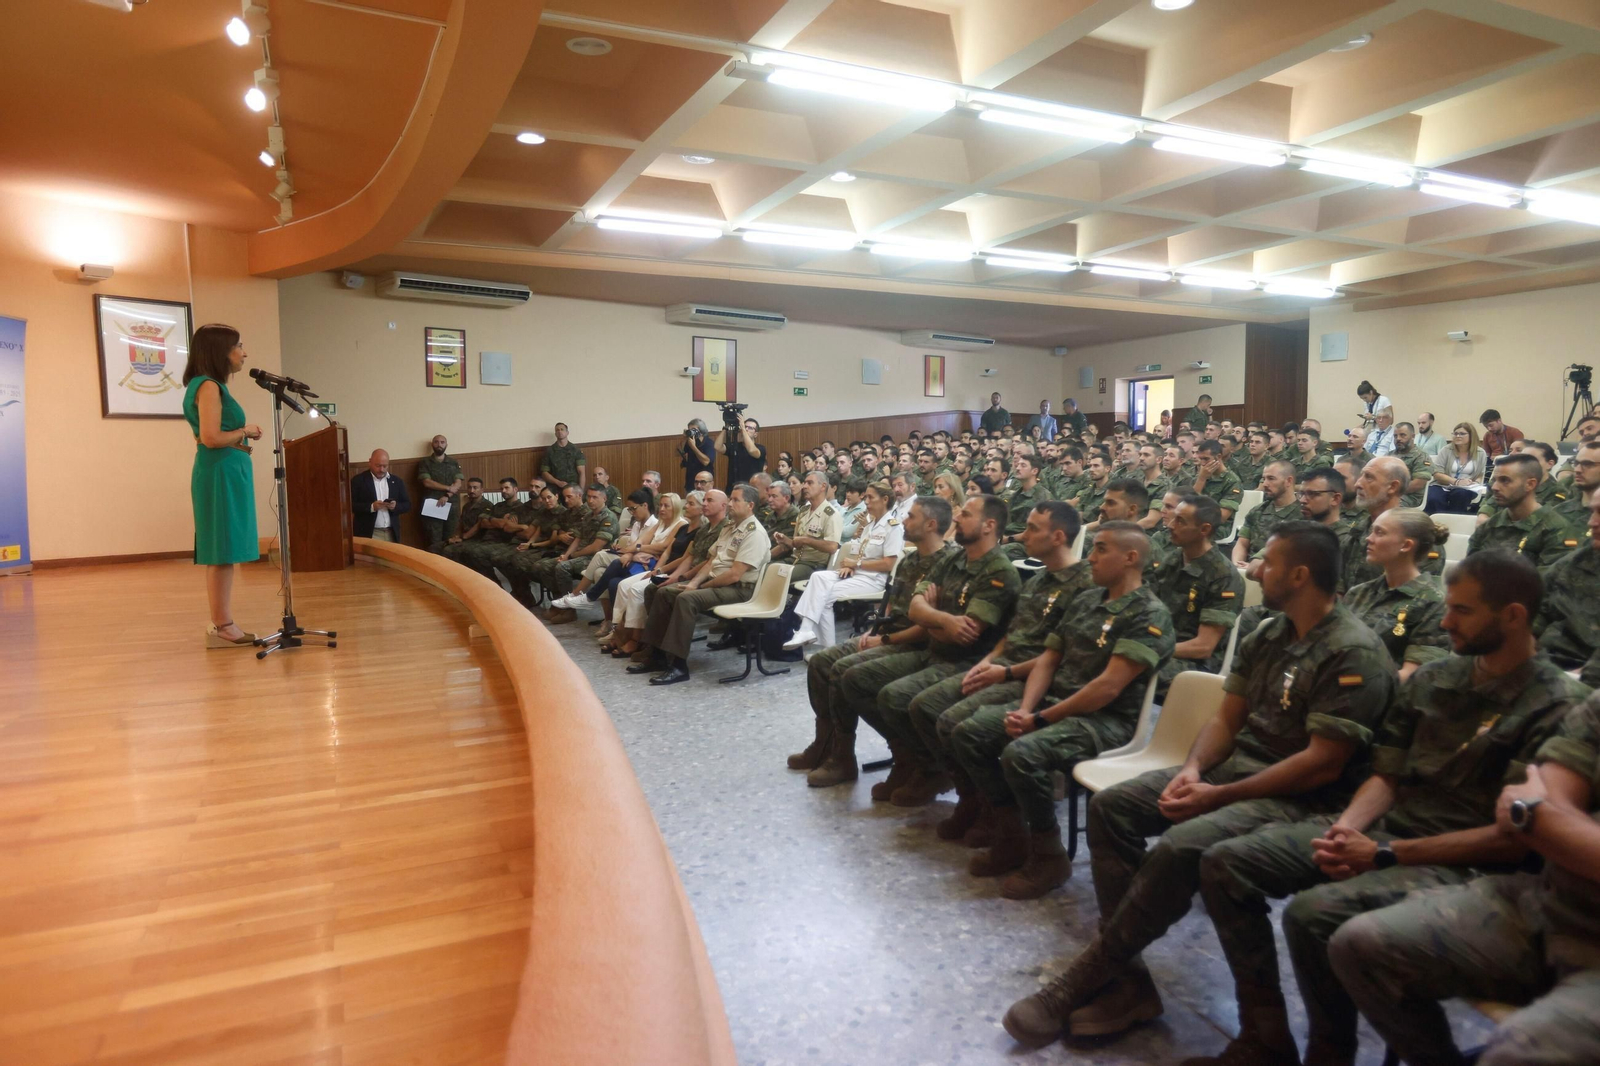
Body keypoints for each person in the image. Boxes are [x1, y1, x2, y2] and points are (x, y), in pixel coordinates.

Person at [1001, 524, 1395, 1048]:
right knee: (1114, 806)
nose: (1255, 570)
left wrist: (1219, 794)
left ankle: (1095, 974)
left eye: (1268, 562)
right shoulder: (1268, 633)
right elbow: (1226, 720)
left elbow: (1322, 764)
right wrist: (1191, 770)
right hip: (1236, 773)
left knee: (1184, 847)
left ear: (1300, 575)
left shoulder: (1352, 651)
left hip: (1303, 799)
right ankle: (1130, 978)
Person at [1188, 551, 1588, 1066]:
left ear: (1513, 616)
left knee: (1312, 917)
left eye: (1462, 611)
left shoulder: (1557, 704)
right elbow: (1386, 776)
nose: (1444, 622)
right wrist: (1346, 830)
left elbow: (1510, 839)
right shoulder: (1435, 678)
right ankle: (1265, 1036)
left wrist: (1383, 854)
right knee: (1227, 864)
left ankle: (1331, 1053)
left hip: (1465, 864)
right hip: (1383, 830)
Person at [1329, 701, 1600, 1066]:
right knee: (1357, 943)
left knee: (1523, 1052)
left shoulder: (1552, 697)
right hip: (1549, 899)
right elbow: (1535, 811)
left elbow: (1527, 815)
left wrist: (1536, 816)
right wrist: (1542, 820)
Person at [948, 521, 1174, 899]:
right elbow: (1049, 659)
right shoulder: (1088, 600)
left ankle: (1048, 854)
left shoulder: (1149, 614)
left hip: (1105, 721)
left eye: (1101, 549)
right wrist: (1025, 710)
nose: (1091, 557)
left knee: (1022, 754)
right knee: (968, 733)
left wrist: (1039, 719)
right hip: (1055, 704)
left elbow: (1107, 687)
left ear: (1131, 558)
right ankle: (1012, 834)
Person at [902, 501, 1095, 827]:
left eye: (1032, 529)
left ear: (1058, 537)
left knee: (958, 726)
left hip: (1033, 678)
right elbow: (1013, 634)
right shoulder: (1038, 579)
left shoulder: (1085, 586)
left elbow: (1060, 657)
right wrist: (988, 661)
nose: (1023, 535)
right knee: (926, 707)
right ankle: (972, 797)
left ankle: (1001, 814)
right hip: (1003, 667)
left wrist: (1002, 672)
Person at [834, 496, 1021, 806]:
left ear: (989, 525)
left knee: (901, 699)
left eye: (966, 514)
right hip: (934, 651)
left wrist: (931, 617)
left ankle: (943, 777)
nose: (957, 518)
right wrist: (943, 619)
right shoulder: (954, 559)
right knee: (855, 678)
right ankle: (911, 760)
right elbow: (916, 610)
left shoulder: (998, 570)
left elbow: (965, 635)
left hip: (965, 661)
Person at [794, 496, 953, 787]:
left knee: (844, 672)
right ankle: (828, 746)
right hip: (892, 634)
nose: (904, 520)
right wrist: (875, 630)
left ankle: (896, 755)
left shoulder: (947, 564)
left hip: (916, 643)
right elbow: (890, 604)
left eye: (911, 517)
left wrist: (885, 639)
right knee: (820, 662)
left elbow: (928, 626)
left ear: (931, 525)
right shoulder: (911, 559)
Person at [631, 486, 770, 685]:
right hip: (718, 583)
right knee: (661, 592)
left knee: (686, 599)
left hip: (740, 590)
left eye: (735, 500)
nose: (730, 504)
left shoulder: (754, 533)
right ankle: (657, 655)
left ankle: (679, 666)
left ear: (750, 505)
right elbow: (711, 561)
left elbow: (734, 575)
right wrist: (694, 582)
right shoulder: (730, 528)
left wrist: (700, 587)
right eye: (730, 499)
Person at [182, 323, 262, 648]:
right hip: (220, 473)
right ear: (221, 351)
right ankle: (223, 625)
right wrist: (246, 430)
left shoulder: (207, 385)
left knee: (224, 550)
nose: (244, 353)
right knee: (221, 551)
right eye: (239, 346)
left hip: (224, 471)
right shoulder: (209, 386)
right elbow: (211, 437)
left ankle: (224, 622)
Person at [786, 481, 904, 649]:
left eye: (870, 497)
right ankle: (807, 631)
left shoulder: (893, 527)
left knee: (824, 596)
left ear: (885, 499)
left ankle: (824, 647)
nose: (866, 502)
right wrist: (851, 566)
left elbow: (888, 564)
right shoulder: (870, 525)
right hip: (858, 573)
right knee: (818, 577)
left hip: (875, 579)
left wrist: (856, 564)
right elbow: (861, 552)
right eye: (866, 497)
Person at [1343, 508, 1450, 681]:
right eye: (1371, 531)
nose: (1369, 538)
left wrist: (1350, 683)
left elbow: (1414, 677)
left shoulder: (1433, 603)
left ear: (1406, 545)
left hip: (1384, 693)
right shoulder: (1359, 592)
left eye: (1380, 532)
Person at [1150, 495, 1243, 692]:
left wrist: (1149, 649)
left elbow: (1203, 647)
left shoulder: (1222, 576)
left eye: (1180, 521)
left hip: (1193, 663)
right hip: (1160, 644)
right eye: (1173, 518)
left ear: (1204, 530)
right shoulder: (1174, 559)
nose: (1171, 525)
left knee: (1130, 667)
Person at [611, 491, 704, 659]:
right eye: (687, 503)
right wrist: (656, 570)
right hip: (663, 568)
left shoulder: (699, 531)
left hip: (675, 571)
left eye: (690, 504)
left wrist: (661, 570)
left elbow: (684, 559)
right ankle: (619, 631)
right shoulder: (684, 528)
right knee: (623, 585)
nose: (686, 506)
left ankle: (636, 638)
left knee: (636, 590)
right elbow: (667, 552)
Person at [1467, 453, 1581, 566]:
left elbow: (1551, 575)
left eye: (1505, 480)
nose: (1495, 487)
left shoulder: (1556, 529)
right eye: (1495, 480)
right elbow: (1469, 569)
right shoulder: (1489, 526)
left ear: (1530, 484)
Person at [773, 471, 843, 584]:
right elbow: (796, 544)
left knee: (779, 576)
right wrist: (786, 540)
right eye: (805, 483)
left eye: (810, 483)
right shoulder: (803, 511)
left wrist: (807, 540)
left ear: (823, 486)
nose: (805, 486)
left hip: (813, 564)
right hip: (795, 559)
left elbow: (832, 547)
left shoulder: (831, 514)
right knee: (768, 569)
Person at [1232, 460, 1297, 566]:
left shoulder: (1303, 514)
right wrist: (1237, 564)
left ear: (1288, 481)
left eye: (1271, 478)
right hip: (1247, 568)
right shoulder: (1258, 511)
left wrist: (1254, 567)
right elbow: (1242, 544)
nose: (1265, 484)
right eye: (1264, 479)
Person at [1427, 420, 1489, 513]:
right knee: (1434, 498)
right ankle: (1437, 520)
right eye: (1455, 433)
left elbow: (1480, 474)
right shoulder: (1446, 450)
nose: (1458, 436)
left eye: (1462, 434)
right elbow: (1437, 473)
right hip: (1442, 484)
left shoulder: (1480, 453)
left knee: (1460, 495)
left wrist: (1475, 483)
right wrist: (1456, 482)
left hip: (1465, 488)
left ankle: (1454, 520)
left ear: (1471, 436)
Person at [998, 453, 1052, 560]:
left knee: (997, 553)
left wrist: (1009, 539)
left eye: (1023, 465)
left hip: (1027, 543)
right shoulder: (1014, 496)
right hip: (1006, 538)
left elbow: (1041, 530)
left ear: (1034, 471)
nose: (1018, 468)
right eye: (1018, 465)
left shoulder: (1044, 496)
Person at [351, 448, 411, 542]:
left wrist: (395, 506)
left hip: (391, 532)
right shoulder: (358, 481)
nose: (381, 469)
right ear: (370, 462)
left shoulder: (396, 481)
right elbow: (350, 505)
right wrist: (371, 507)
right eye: (378, 466)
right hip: (369, 533)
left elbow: (407, 504)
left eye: (385, 466)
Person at [417, 434, 463, 551]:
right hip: (433, 506)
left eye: (442, 442)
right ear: (432, 445)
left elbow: (458, 483)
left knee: (450, 540)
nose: (439, 445)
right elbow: (427, 482)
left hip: (451, 506)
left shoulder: (453, 462)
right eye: (436, 442)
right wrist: (448, 488)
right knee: (433, 540)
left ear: (446, 445)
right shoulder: (425, 462)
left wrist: (447, 495)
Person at [1191, 439, 1244, 524]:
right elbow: (1189, 503)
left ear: (1219, 457)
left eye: (1206, 459)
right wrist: (1201, 479)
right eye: (1201, 459)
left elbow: (1221, 517)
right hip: (1195, 521)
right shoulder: (1201, 476)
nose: (1203, 463)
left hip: (1218, 526)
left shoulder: (1232, 481)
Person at [715, 414, 767, 492]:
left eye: (750, 428)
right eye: (745, 426)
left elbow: (751, 450)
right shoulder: (735, 445)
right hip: (733, 488)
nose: (746, 429)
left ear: (755, 434)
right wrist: (725, 428)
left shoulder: (761, 448)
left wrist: (742, 428)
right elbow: (717, 447)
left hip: (751, 489)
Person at [539, 421, 587, 493]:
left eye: (562, 429)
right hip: (556, 489)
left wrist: (581, 491)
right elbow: (544, 473)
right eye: (557, 430)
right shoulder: (549, 451)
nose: (559, 431)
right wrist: (557, 482)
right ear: (555, 434)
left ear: (567, 432)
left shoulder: (575, 450)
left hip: (573, 489)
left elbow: (582, 472)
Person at [678, 417, 714, 494]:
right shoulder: (690, 441)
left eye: (693, 429)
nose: (691, 431)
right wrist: (684, 438)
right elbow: (679, 452)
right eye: (689, 429)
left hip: (704, 484)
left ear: (701, 430)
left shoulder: (709, 443)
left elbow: (706, 461)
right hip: (690, 483)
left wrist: (693, 447)